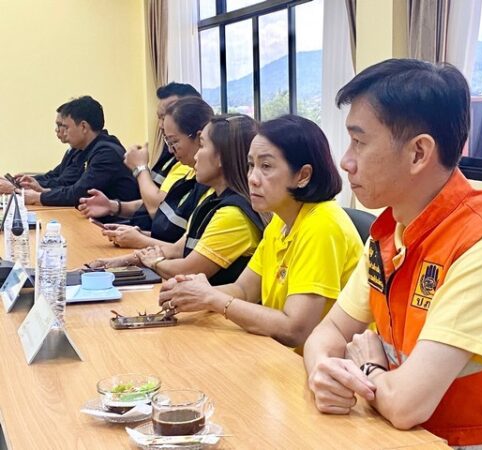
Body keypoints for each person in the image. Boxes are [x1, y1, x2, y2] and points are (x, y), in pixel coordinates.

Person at [303, 59, 482, 449]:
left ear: (418, 153)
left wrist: (368, 367)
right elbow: (326, 333)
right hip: (407, 438)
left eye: (359, 142)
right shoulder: (390, 232)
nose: (346, 160)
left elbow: (407, 405)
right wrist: (324, 372)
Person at [157, 115, 363, 352]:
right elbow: (244, 290)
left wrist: (212, 298)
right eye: (251, 165)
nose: (252, 178)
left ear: (303, 175)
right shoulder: (280, 221)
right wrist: (192, 293)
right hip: (277, 354)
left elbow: (294, 329)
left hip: (320, 365)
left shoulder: (322, 224)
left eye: (266, 166)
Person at [88, 113, 265, 285]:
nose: (196, 156)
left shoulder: (233, 214)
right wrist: (116, 262)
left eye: (202, 146)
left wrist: (154, 262)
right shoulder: (211, 198)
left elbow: (188, 269)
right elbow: (177, 250)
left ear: (221, 157)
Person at [78, 84, 208, 243]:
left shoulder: (194, 167)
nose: (162, 125)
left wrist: (140, 168)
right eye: (161, 117)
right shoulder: (176, 159)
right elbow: (167, 208)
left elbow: (157, 208)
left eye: (167, 115)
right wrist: (115, 207)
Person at [23, 96, 140, 207]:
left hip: (119, 220)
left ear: (83, 127)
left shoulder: (106, 153)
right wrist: (42, 191)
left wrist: (38, 197)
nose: (62, 132)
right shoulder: (84, 150)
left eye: (66, 127)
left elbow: (79, 192)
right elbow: (67, 184)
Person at [0, 103, 84, 194]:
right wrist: (24, 181)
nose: (57, 130)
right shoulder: (74, 150)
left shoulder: (87, 152)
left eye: (63, 126)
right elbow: (53, 175)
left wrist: (19, 187)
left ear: (83, 127)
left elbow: (63, 182)